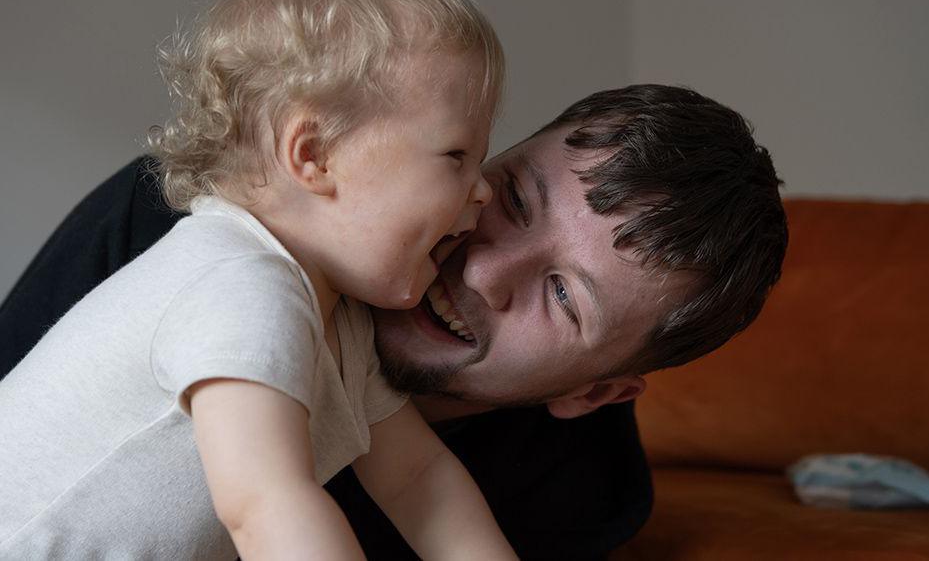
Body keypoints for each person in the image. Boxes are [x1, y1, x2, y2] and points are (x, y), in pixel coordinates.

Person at [0, 83, 787, 558]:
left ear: (595, 393)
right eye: (511, 197)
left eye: (561, 296)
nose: (480, 267)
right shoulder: (188, 219)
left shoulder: (577, 497)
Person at [0, 0, 519, 560]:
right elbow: (267, 503)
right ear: (316, 154)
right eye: (457, 155)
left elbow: (419, 481)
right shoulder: (239, 283)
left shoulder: (338, 321)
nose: (481, 189)